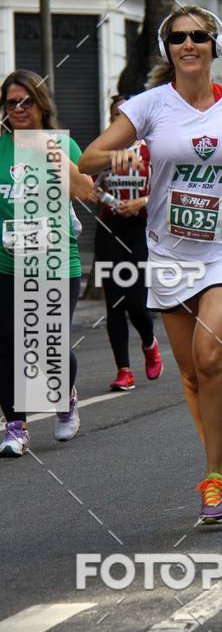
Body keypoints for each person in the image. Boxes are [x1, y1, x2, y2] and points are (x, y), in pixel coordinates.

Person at [79, 5, 222, 525]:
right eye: (179, 38)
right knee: (190, 373)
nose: (190, 45)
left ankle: (213, 478)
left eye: (200, 37)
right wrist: (116, 157)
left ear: (216, 44)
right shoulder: (148, 106)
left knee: (211, 356)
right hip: (169, 251)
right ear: (169, 49)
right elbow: (87, 159)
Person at [0, 70, 94, 456]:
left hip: (57, 261)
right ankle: (16, 426)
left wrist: (48, 151)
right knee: (8, 340)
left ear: (41, 105)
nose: (19, 109)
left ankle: (65, 396)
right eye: (11, 102)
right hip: (8, 262)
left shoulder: (61, 145)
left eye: (27, 101)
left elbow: (86, 190)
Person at [94, 94, 163, 391]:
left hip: (141, 227)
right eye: (115, 116)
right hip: (110, 227)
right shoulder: (102, 150)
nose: (120, 121)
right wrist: (112, 201)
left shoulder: (151, 150)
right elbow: (90, 186)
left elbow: (166, 189)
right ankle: (124, 369)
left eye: (126, 115)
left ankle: (149, 342)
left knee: (136, 301)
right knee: (114, 303)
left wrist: (140, 203)